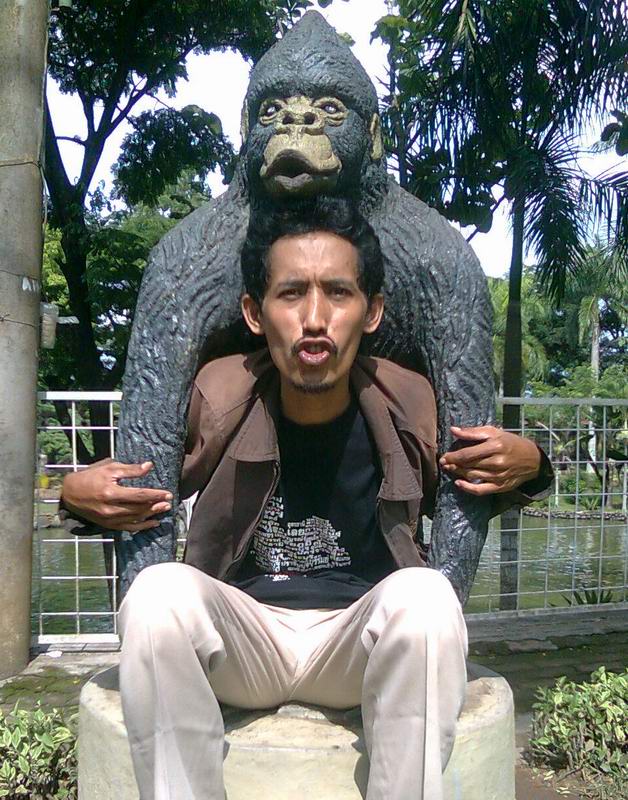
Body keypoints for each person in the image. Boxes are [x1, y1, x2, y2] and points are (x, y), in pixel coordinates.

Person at [61, 198, 550, 800]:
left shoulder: (410, 403)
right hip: (246, 642)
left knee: (428, 597)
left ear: (371, 312)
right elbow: (143, 484)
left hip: (358, 643)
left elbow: (474, 484)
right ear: (255, 312)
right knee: (156, 594)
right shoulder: (220, 394)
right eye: (291, 293)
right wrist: (73, 495)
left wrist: (536, 464)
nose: (314, 319)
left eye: (338, 293)